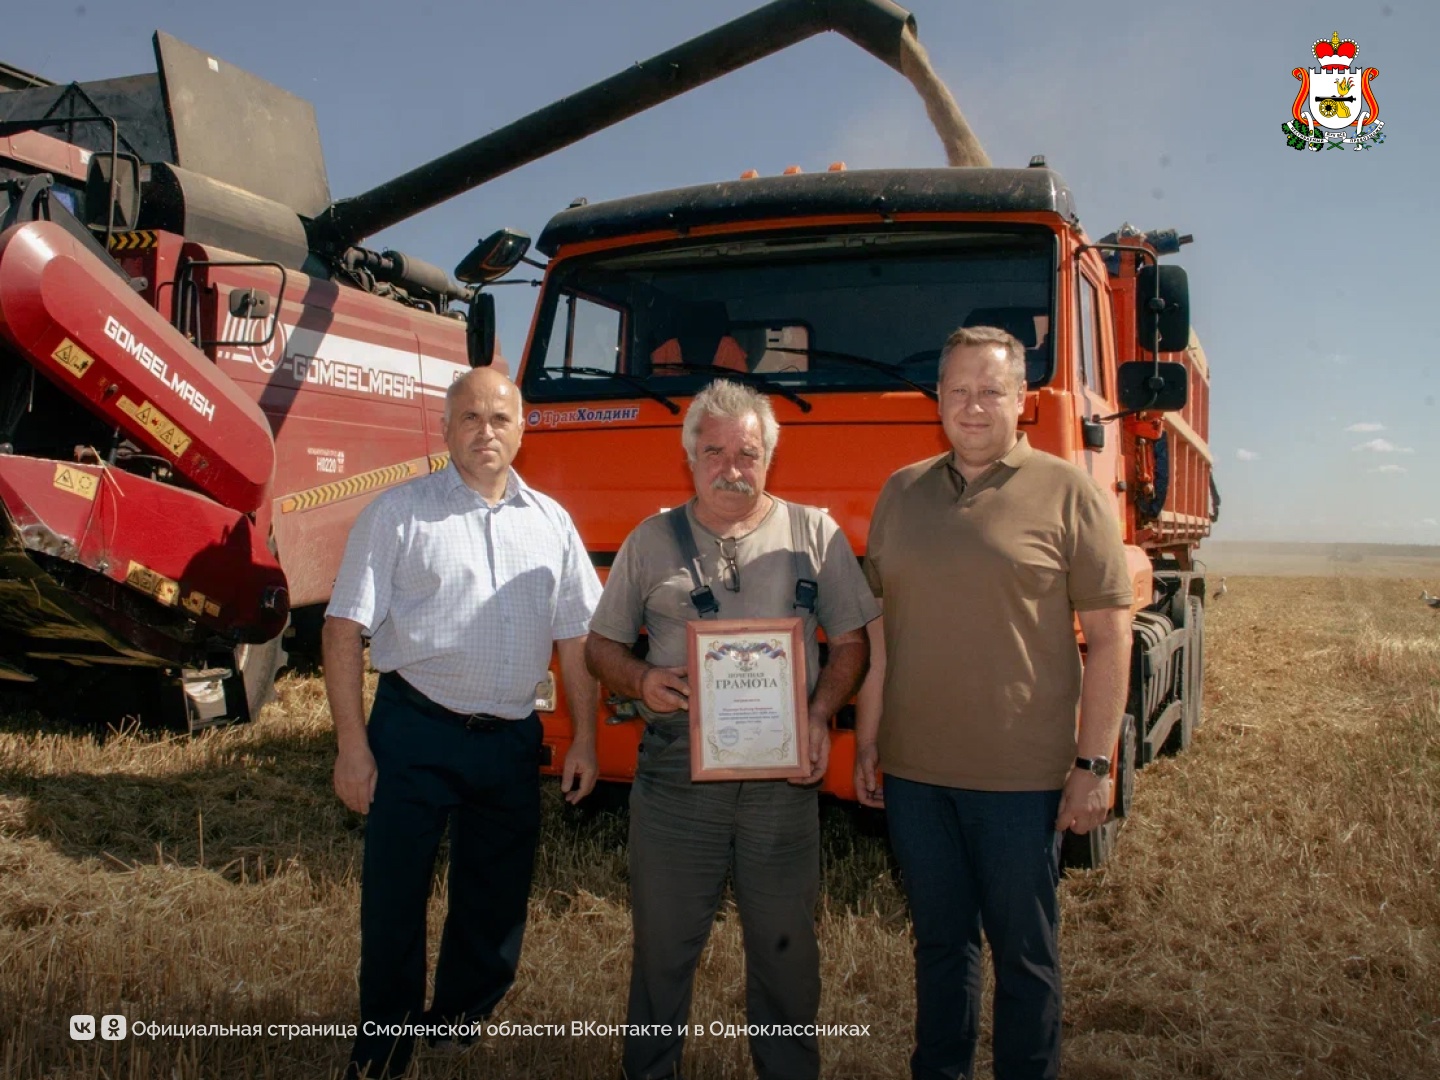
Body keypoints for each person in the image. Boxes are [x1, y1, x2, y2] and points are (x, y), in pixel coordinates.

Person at [855, 326, 1134, 1080]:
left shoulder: (1068, 491)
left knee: (1025, 957)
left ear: (1023, 403)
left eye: (991, 391)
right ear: (936, 399)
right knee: (940, 947)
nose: (972, 406)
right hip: (917, 778)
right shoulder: (901, 491)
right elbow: (884, 635)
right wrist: (870, 738)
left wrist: (1094, 763)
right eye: (956, 390)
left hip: (1023, 781)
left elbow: (1112, 638)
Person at [584, 379, 878, 1080]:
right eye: (713, 451)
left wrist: (815, 713)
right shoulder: (650, 541)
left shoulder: (816, 534)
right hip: (676, 780)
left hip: (783, 788)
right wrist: (639, 681)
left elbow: (854, 645)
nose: (731, 466)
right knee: (662, 953)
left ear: (769, 457)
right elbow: (601, 646)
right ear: (689, 457)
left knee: (786, 955)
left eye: (747, 452)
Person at [324, 367, 602, 1080]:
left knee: (495, 897)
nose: (486, 432)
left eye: (500, 419)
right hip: (414, 731)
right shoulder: (398, 513)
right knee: (395, 897)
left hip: (510, 739)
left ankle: (457, 1023)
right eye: (471, 418)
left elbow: (578, 638)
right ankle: (383, 1046)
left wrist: (587, 739)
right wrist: (352, 748)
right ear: (445, 429)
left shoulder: (552, 524)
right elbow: (343, 627)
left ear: (522, 429)